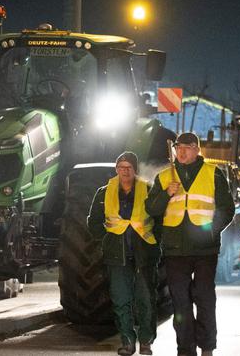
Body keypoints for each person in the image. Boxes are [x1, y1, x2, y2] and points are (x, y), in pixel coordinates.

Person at [146, 132, 235, 356]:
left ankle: (207, 347)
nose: (182, 152)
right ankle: (185, 349)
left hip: (205, 250)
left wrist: (211, 231)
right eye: (179, 147)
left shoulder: (213, 174)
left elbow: (226, 208)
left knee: (205, 299)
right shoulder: (165, 177)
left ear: (197, 150)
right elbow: (152, 209)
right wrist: (167, 193)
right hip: (175, 250)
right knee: (181, 303)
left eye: (187, 147)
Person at [87, 152, 160, 356]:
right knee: (121, 300)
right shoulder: (103, 192)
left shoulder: (148, 189)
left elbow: (160, 220)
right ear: (116, 169)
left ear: (135, 169)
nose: (125, 171)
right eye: (121, 167)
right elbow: (93, 221)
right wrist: (106, 240)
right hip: (117, 255)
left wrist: (156, 244)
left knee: (145, 300)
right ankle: (127, 341)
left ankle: (146, 341)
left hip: (144, 254)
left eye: (129, 167)